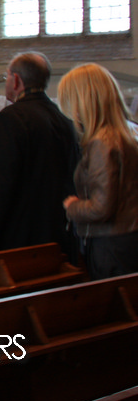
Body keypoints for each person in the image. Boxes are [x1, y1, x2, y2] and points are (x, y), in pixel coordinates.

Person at [0, 52, 80, 260]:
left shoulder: (10, 119)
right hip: (58, 237)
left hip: (21, 241)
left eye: (7, 77)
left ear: (16, 80)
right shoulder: (64, 120)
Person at [58, 63, 138, 280]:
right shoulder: (130, 131)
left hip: (112, 244)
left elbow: (101, 208)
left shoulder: (102, 142)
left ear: (84, 102)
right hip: (130, 237)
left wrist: (73, 207)